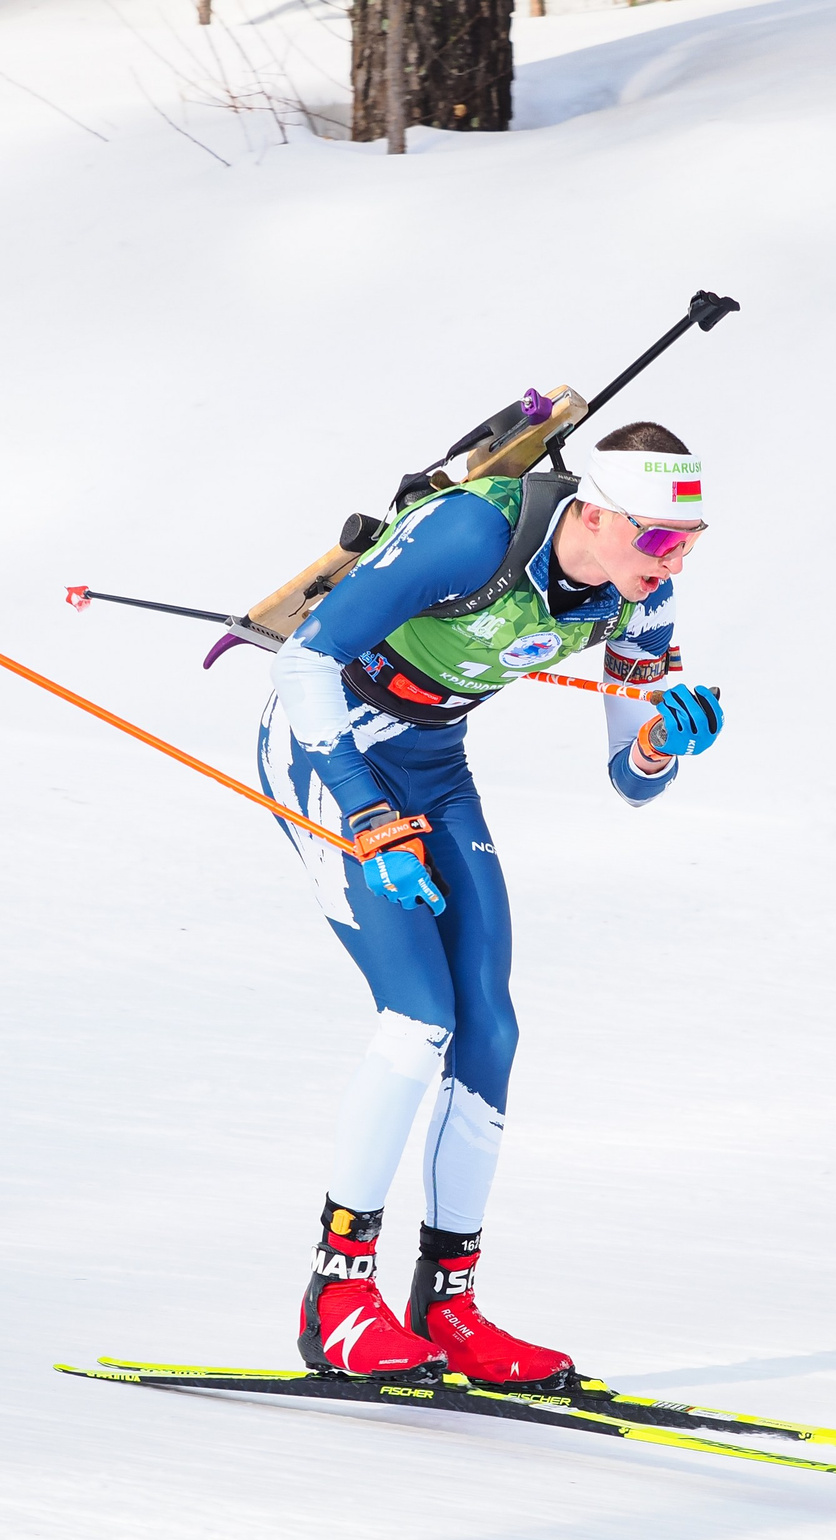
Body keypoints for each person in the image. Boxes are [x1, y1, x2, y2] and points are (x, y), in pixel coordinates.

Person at [258, 421, 727, 1389]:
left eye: (688, 540)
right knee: (415, 1017)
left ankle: (450, 1306)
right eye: (653, 536)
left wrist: (660, 746)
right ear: (592, 510)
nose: (670, 559)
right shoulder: (472, 537)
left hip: (432, 763)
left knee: (490, 1031)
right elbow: (301, 661)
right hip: (330, 749)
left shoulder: (643, 600)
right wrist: (365, 813)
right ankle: (337, 1295)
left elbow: (629, 778)